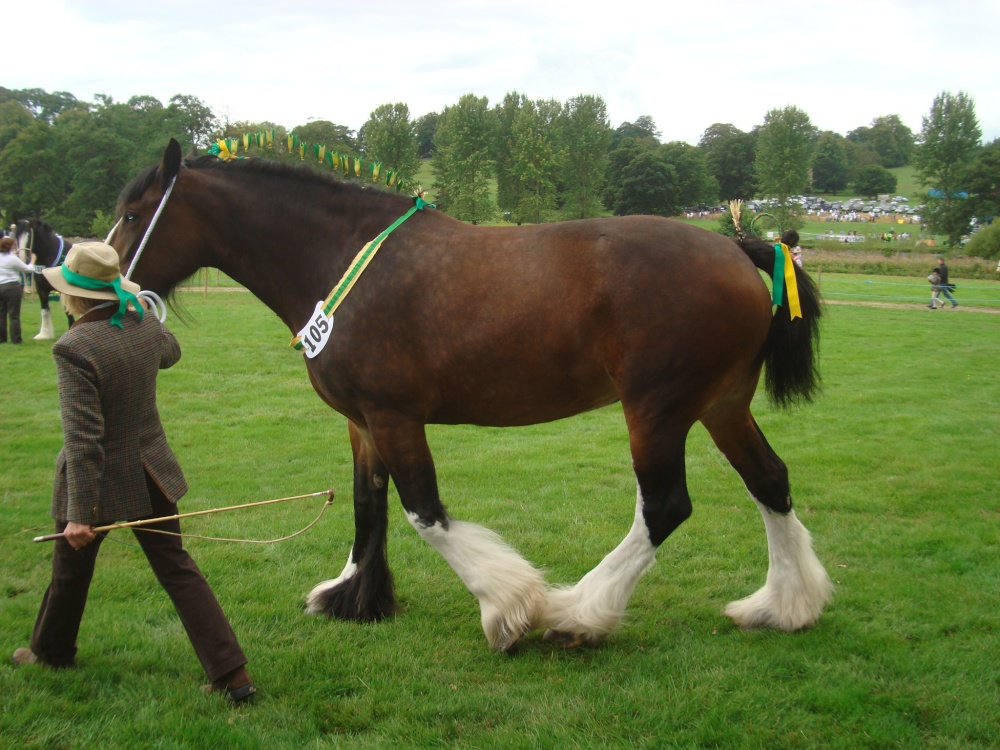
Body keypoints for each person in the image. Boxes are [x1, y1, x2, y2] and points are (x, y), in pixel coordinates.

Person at [11, 242, 256, 705]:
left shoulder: (75, 346)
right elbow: (170, 353)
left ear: (75, 298)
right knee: (177, 569)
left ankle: (51, 652)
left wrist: (80, 514)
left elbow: (85, 441)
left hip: (99, 481)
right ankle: (232, 675)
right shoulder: (141, 323)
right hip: (151, 470)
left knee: (70, 571)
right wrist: (139, 312)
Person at [0, 236, 35, 344]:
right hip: (12, 286)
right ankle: (16, 339)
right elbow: (27, 269)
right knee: (14, 315)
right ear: (11, 246)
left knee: (1, 314)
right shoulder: (12, 258)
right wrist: (33, 260)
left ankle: (2, 338)